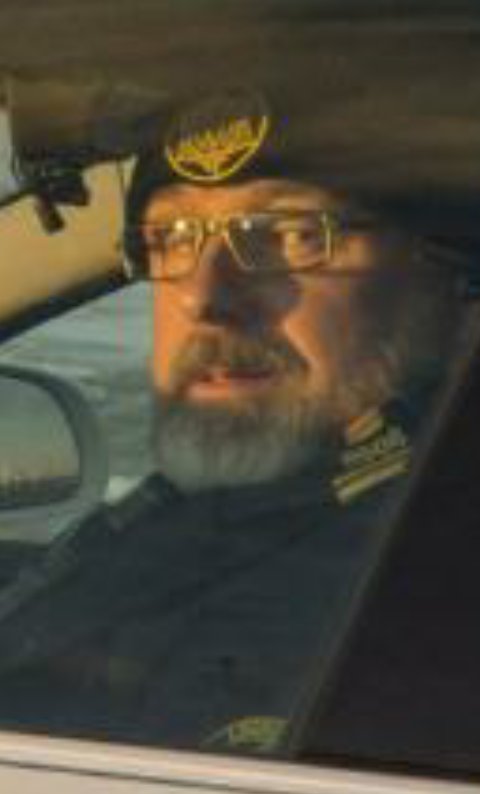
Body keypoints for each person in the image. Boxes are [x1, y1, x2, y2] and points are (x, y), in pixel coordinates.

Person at [0, 89, 470, 754]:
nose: (203, 295)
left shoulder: (421, 588)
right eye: (170, 237)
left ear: (448, 279)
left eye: (288, 235)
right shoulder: (197, 524)